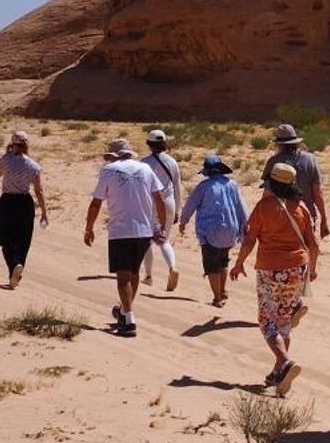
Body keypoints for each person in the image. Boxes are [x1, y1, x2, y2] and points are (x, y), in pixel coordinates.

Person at [230, 161, 319, 394]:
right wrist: (314, 268)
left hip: (271, 269)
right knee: (283, 320)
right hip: (297, 269)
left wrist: (239, 263)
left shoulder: (264, 207)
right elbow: (314, 243)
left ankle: (286, 361)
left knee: (267, 320)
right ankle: (279, 371)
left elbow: (250, 239)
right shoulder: (302, 208)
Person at [84, 139, 168, 338]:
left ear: (114, 155)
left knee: (123, 277)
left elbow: (96, 203)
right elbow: (158, 199)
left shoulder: (109, 170)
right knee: (134, 273)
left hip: (120, 230)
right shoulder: (146, 169)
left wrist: (89, 228)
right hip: (143, 230)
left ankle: (129, 321)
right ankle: (123, 311)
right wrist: (162, 225)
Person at [179, 154, 248, 307]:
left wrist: (183, 222)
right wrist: (245, 225)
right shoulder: (233, 184)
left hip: (209, 231)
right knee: (223, 260)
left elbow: (190, 205)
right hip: (230, 230)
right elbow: (242, 207)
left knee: (211, 265)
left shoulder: (203, 187)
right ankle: (222, 291)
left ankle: (217, 298)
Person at [0, 129, 48, 288]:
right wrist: (44, 212)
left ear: (12, 143)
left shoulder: (6, 160)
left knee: (6, 238)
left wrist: (5, 155)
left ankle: (14, 265)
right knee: (23, 240)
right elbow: (39, 191)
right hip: (25, 202)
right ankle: (15, 274)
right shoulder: (33, 165)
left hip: (8, 201)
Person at [262, 123, 329, 239]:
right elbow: (317, 193)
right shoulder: (310, 159)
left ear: (279, 144)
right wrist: (324, 219)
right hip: (306, 215)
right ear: (296, 142)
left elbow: (267, 194)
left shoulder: (273, 162)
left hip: (281, 217)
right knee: (305, 251)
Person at [141, 128, 181, 292]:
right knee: (164, 239)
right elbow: (177, 186)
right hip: (169, 202)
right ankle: (172, 267)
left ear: (149, 144)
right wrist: (177, 209)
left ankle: (149, 276)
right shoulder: (172, 162)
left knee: (146, 240)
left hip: (152, 203)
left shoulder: (144, 163)